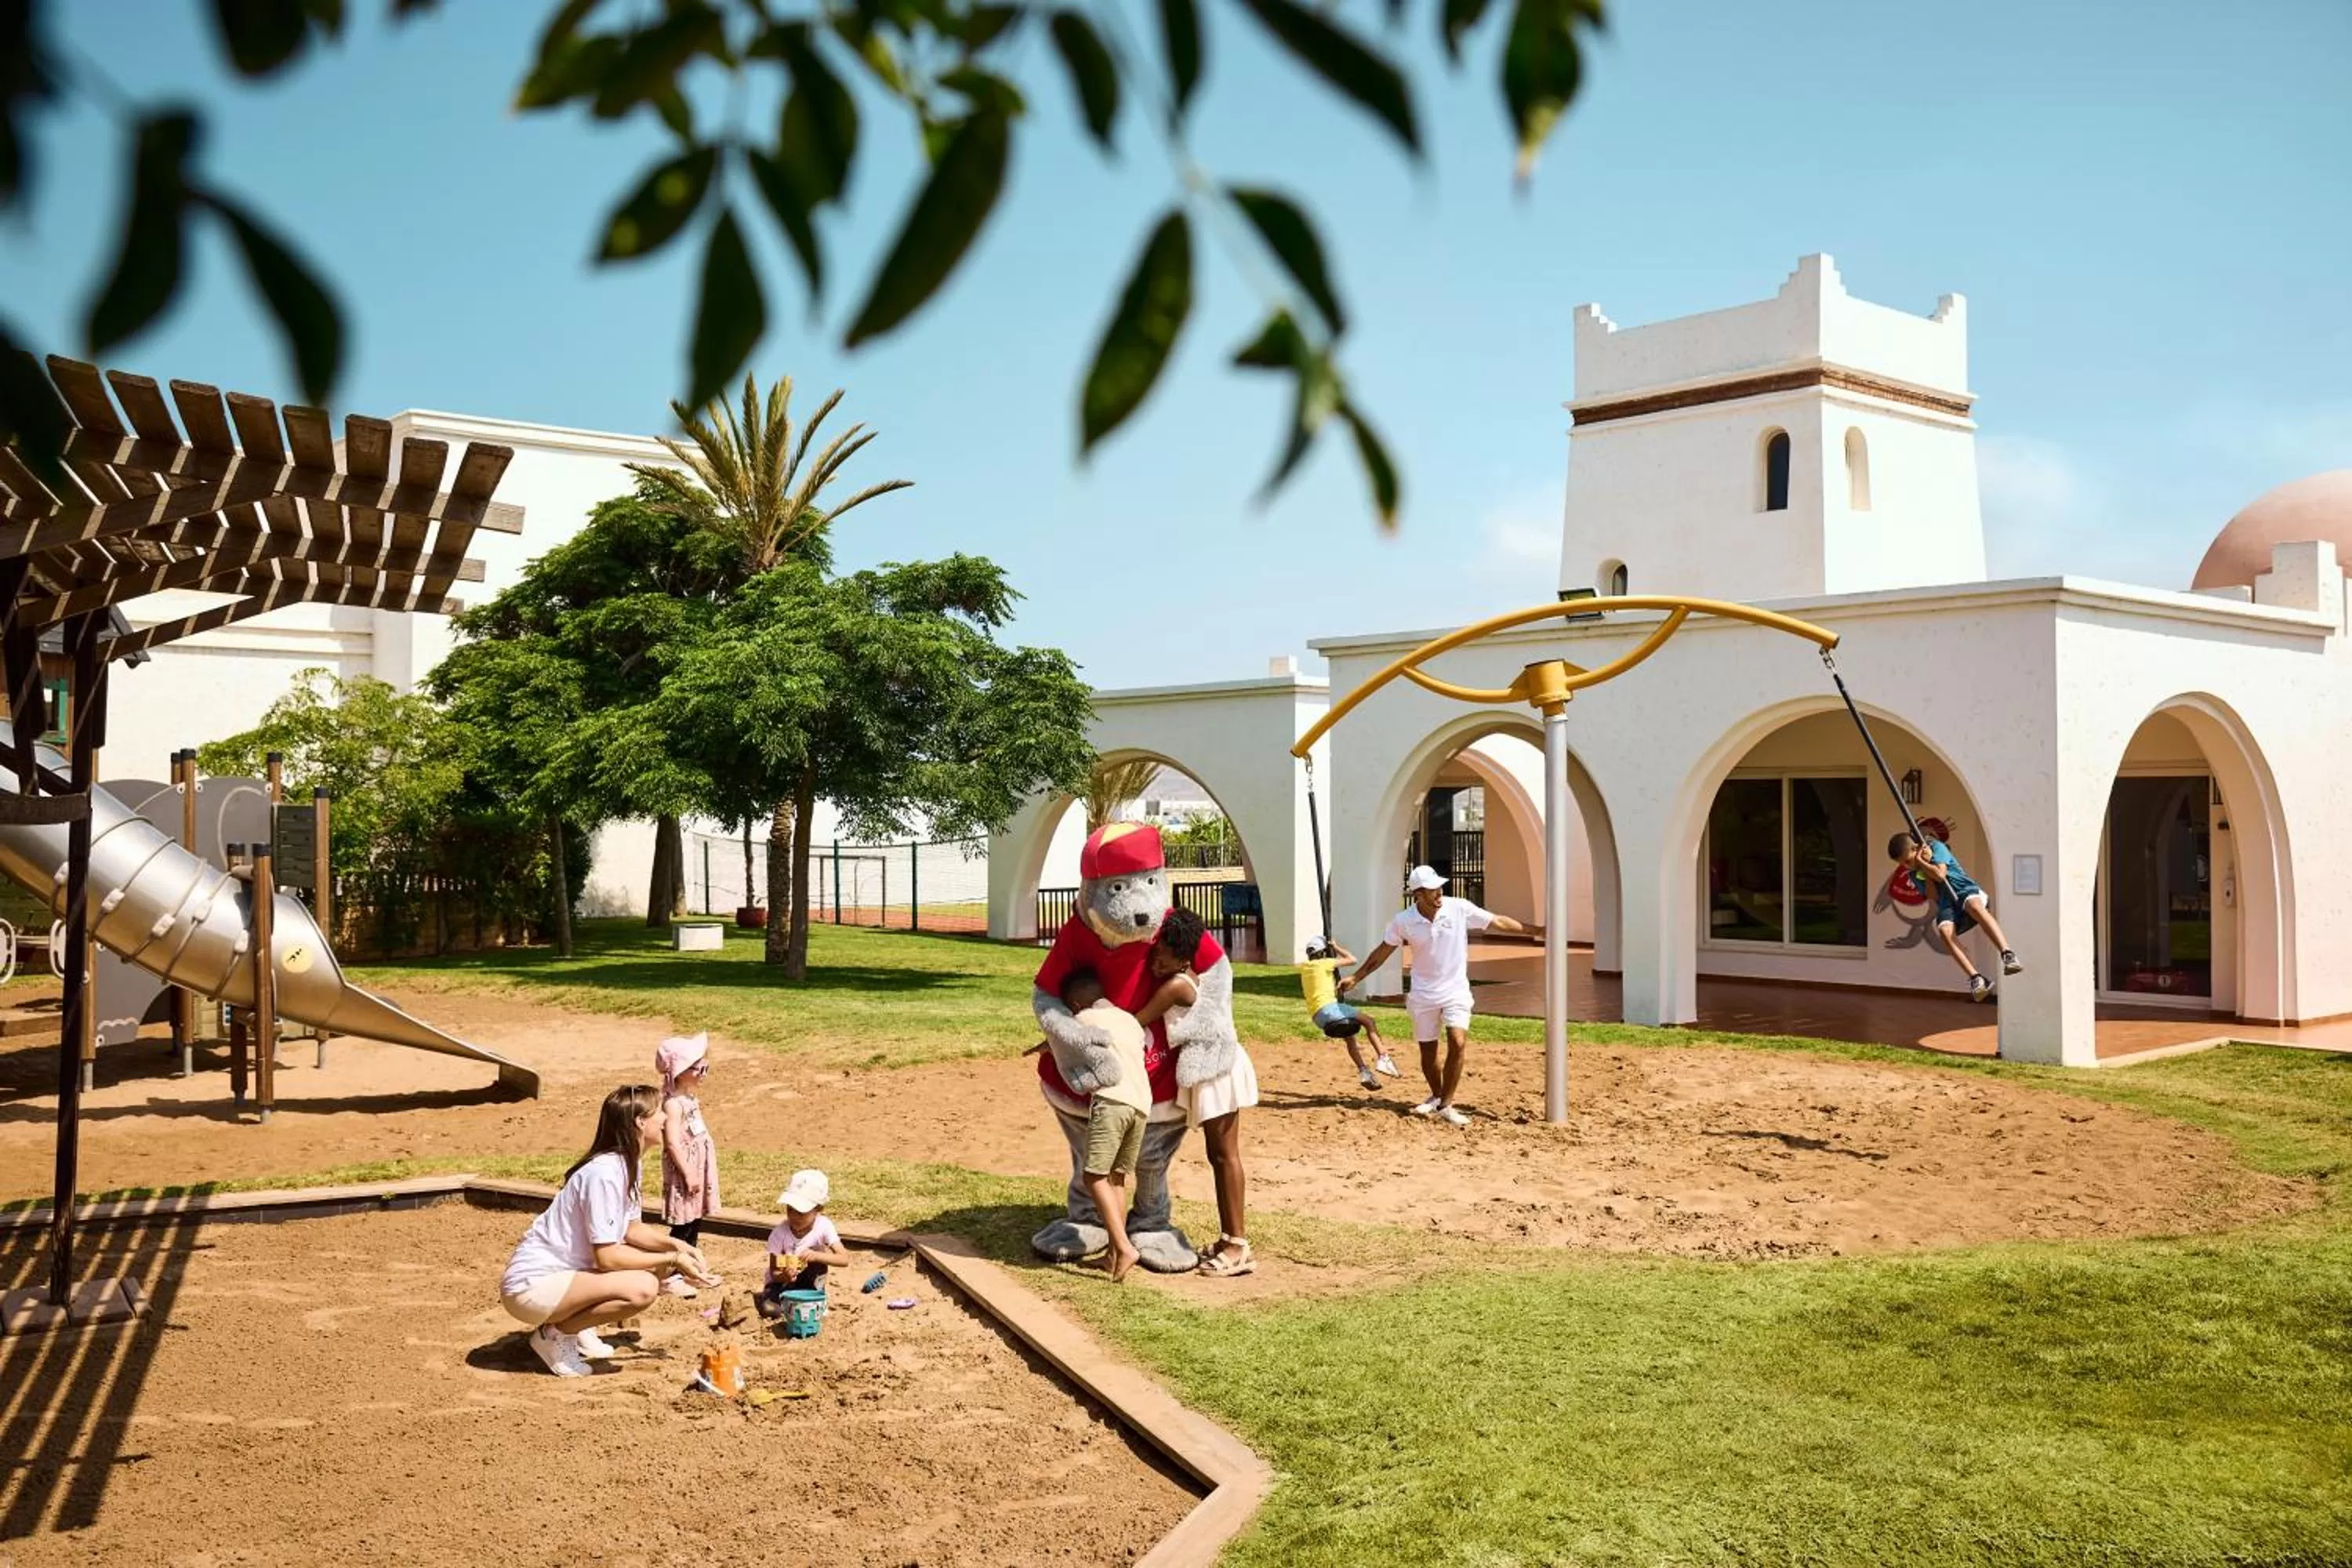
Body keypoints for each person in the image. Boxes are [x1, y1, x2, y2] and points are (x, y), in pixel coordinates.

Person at [499, 1083, 719, 1377]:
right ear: (640, 1122)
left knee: (653, 1268)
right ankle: (555, 1336)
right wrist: (672, 1260)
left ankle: (578, 1327)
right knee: (643, 1288)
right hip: (531, 1288)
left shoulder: (628, 1164)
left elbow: (632, 1230)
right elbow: (607, 1258)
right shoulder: (605, 1173)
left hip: (564, 1276)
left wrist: (678, 1247)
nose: (667, 1119)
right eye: (660, 1115)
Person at [1338, 866, 1540, 1127]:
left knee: (1457, 1041)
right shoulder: (1404, 921)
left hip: (1456, 991)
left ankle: (1446, 1104)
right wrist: (1356, 977)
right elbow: (1383, 951)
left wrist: (1537, 930)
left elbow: (1498, 921)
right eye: (1432, 890)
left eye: (1440, 888)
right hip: (1423, 994)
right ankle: (1436, 1095)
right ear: (1418, 895)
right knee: (1428, 1051)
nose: (1439, 894)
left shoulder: (1459, 908)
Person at [1149, 907, 1258, 1277]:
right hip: (1212, 1068)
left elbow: (1136, 1019)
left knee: (1226, 1156)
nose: (1154, 959)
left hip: (1217, 1069)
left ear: (1182, 958)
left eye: (1161, 954)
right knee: (1218, 1155)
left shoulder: (1177, 985)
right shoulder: (1191, 978)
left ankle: (1238, 1247)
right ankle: (1230, 1238)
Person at [1058, 965, 1154, 1282]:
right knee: (1116, 1178)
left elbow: (1066, 1041)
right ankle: (1114, 1252)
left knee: (1094, 1176)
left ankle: (1125, 1247)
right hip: (1142, 1104)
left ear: (1074, 1005)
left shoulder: (1083, 1020)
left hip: (1112, 1101)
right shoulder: (1128, 1021)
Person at [1889, 831, 2023, 1001]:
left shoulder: (1937, 848)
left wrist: (1926, 861)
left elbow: (1940, 874)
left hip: (1964, 890)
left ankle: (2007, 954)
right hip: (1946, 903)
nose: (1908, 866)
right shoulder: (1914, 874)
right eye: (1903, 865)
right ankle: (1976, 978)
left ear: (1916, 848)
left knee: (1975, 906)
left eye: (1908, 861)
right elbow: (1933, 896)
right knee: (1945, 932)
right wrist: (1923, 865)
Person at [656, 1033, 719, 1298]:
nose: (704, 1073)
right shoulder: (672, 1104)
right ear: (680, 1072)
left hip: (698, 1165)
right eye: (699, 1068)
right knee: (683, 1224)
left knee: (695, 1221)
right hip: (686, 1171)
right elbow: (672, 1143)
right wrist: (688, 1173)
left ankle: (690, 1270)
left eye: (706, 1067)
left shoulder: (690, 1098)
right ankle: (671, 1275)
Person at [756, 1168, 858, 1316]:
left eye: (801, 1212)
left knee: (817, 1263)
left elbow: (844, 1259)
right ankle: (778, 1301)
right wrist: (785, 1276)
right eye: (790, 1210)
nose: (794, 1217)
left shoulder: (823, 1226)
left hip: (810, 1283)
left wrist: (816, 1256)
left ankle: (813, 1298)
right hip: (781, 1284)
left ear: (818, 1209)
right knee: (770, 1309)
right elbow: (774, 1270)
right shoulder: (779, 1233)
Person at [1300, 938, 1399, 1091]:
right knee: (1369, 1021)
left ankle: (1364, 1071)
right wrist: (1336, 947)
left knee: (1349, 1037)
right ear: (1323, 953)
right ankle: (1383, 1058)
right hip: (1330, 1008)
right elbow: (1352, 960)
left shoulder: (1305, 968)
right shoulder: (1325, 963)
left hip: (1317, 1017)